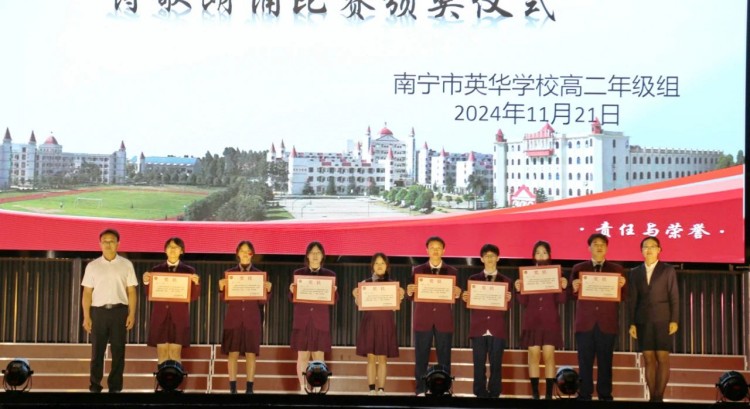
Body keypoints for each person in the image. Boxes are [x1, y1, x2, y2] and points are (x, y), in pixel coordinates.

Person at [569, 233, 626, 401]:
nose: (599, 247)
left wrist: (622, 287)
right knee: (584, 361)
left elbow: (624, 297)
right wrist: (573, 288)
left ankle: (605, 395)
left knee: (606, 361)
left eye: (602, 244)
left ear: (606, 248)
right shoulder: (579, 268)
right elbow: (569, 296)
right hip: (585, 323)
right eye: (595, 244)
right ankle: (584, 394)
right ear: (589, 248)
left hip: (607, 323)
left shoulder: (617, 270)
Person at [81, 228, 138, 393]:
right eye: (104, 241)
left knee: (118, 352)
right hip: (98, 312)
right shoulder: (92, 266)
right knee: (97, 352)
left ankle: (115, 388)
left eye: (112, 241)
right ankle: (95, 386)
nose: (108, 244)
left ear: (118, 244)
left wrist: (132, 314)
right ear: (100, 244)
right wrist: (86, 316)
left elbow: (132, 291)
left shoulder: (126, 265)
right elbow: (87, 293)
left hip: (119, 312)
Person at [406, 236, 462, 396]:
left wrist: (458, 293)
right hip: (423, 320)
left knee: (444, 358)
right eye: (432, 248)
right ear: (427, 250)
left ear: (444, 250)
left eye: (438, 248)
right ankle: (420, 389)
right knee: (421, 357)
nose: (435, 251)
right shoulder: (417, 270)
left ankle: (445, 389)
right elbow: (412, 296)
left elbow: (455, 296)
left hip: (443, 320)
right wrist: (409, 292)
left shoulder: (452, 271)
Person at [627, 236, 679, 402]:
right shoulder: (635, 272)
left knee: (662, 358)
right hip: (643, 320)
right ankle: (652, 398)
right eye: (645, 247)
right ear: (641, 251)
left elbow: (674, 296)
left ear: (659, 250)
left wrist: (674, 320)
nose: (649, 250)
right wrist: (632, 323)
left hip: (663, 318)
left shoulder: (667, 270)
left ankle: (659, 397)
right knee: (648, 358)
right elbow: (632, 300)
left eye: (652, 246)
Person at [514, 240, 568, 399]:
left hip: (550, 321)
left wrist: (564, 287)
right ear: (533, 256)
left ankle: (549, 395)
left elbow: (562, 300)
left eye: (544, 252)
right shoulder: (527, 274)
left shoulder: (557, 274)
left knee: (549, 356)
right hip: (532, 320)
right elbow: (523, 302)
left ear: (549, 255)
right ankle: (535, 394)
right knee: (533, 355)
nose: (541, 255)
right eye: (538, 252)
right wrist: (518, 290)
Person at [219, 240, 272, 394]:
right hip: (233, 318)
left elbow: (262, 301)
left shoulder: (259, 275)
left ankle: (249, 389)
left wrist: (268, 290)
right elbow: (225, 299)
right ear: (237, 253)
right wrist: (221, 288)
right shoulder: (229, 274)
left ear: (252, 254)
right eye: (242, 251)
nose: (245, 254)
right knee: (233, 353)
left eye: (248, 251)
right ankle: (233, 388)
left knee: (251, 353)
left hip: (252, 319)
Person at [462, 244, 512, 398]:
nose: (490, 258)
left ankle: (495, 393)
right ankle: (480, 393)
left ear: (498, 258)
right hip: (479, 327)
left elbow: (508, 307)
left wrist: (508, 300)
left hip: (497, 327)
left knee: (496, 364)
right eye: (486, 256)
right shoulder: (473, 279)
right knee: (479, 363)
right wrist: (466, 299)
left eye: (492, 255)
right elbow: (468, 305)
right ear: (482, 259)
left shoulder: (506, 280)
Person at [352, 253, 405, 395]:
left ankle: (381, 389)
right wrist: (356, 295)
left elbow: (395, 306)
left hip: (385, 323)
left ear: (387, 266)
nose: (379, 266)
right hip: (370, 322)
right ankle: (371, 389)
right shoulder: (365, 283)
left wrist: (400, 295)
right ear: (372, 266)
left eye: (382, 263)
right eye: (377, 263)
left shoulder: (393, 285)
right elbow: (359, 304)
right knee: (371, 357)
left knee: (382, 358)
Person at [142, 237, 200, 366]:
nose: (173, 250)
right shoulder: (156, 270)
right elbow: (149, 294)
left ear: (181, 251)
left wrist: (196, 284)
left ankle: (175, 378)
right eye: (170, 247)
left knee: (175, 353)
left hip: (179, 317)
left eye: (176, 247)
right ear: (165, 250)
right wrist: (146, 282)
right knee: (162, 353)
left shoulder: (189, 271)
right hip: (160, 316)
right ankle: (162, 379)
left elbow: (193, 296)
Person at [288, 241, 337, 392]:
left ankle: (317, 388)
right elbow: (292, 298)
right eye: (312, 253)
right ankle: (303, 389)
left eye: (318, 253)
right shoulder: (298, 274)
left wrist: (333, 292)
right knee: (302, 356)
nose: (315, 256)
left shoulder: (330, 275)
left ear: (322, 256)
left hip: (320, 321)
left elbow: (334, 300)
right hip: (302, 321)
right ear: (307, 256)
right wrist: (292, 291)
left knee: (318, 357)